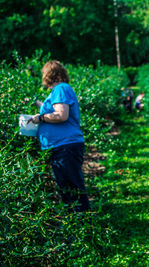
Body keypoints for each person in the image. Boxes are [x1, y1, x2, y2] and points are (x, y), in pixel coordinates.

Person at [29, 60, 89, 212]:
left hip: (65, 146)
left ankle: (83, 227)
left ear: (49, 75)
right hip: (60, 147)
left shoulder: (61, 88)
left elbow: (61, 115)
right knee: (66, 188)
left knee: (72, 188)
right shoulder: (59, 91)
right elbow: (55, 108)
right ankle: (76, 225)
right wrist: (38, 104)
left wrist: (40, 118)